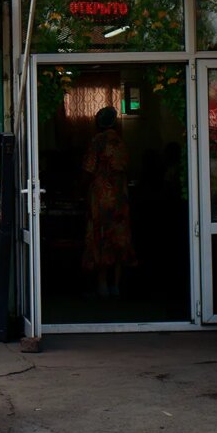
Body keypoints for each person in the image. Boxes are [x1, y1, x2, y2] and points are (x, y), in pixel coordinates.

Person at [82, 106, 135, 297]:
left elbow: (88, 168)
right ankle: (116, 285)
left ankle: (102, 284)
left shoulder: (97, 141)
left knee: (101, 236)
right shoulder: (121, 142)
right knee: (119, 238)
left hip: (101, 196)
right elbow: (126, 166)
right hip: (120, 195)